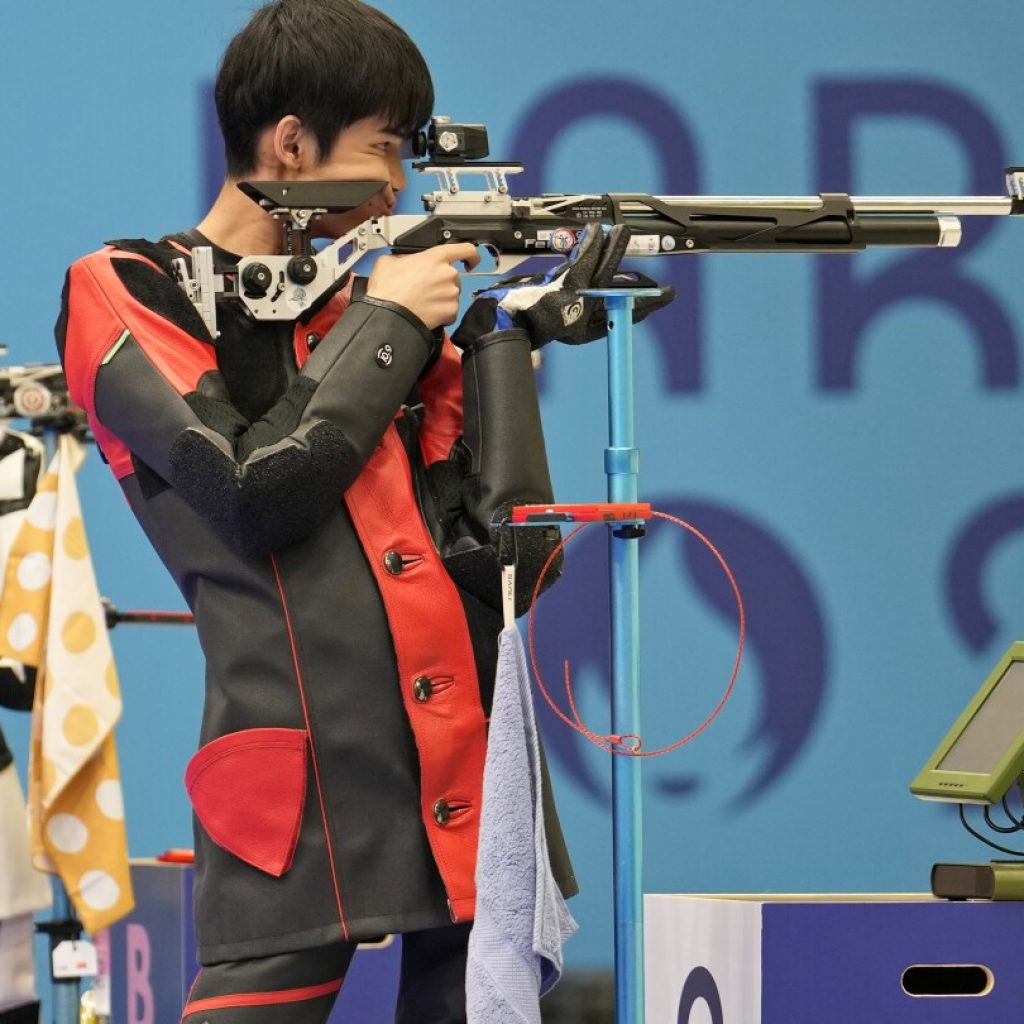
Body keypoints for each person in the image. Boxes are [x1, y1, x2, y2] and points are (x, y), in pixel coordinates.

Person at [55, 2, 671, 1020]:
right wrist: (389, 321)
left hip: (472, 774)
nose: (398, 184)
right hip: (296, 797)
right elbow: (253, 493)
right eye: (386, 147)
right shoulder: (127, 286)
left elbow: (508, 564)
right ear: (292, 143)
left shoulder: (364, 306)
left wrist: (496, 347)